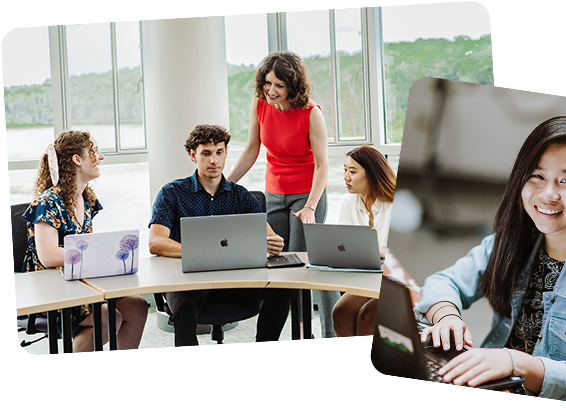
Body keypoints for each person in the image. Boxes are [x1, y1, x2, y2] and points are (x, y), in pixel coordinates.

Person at [414, 116, 566, 409]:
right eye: (537, 176)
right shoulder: (512, 242)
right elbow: (444, 282)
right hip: (504, 393)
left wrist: (514, 362)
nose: (548, 194)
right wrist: (447, 316)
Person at [225, 51, 338, 350]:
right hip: (274, 193)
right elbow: (251, 149)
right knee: (277, 266)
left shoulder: (312, 112)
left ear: (293, 86)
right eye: (267, 83)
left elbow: (323, 166)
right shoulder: (261, 104)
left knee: (307, 266)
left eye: (279, 85)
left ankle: (327, 338)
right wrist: (225, 185)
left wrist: (311, 206)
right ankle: (268, 344)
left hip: (307, 194)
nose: (271, 90)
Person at [148, 124, 290, 354]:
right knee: (183, 309)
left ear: (225, 153)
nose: (214, 160)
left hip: (233, 282)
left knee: (282, 289)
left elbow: (269, 235)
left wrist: (274, 243)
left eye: (219, 152)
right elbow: (156, 242)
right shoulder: (172, 193)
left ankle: (266, 356)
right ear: (193, 155)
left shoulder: (240, 195)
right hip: (190, 283)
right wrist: (199, 252)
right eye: (206, 153)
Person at [22, 130, 148, 354]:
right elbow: (48, 256)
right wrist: (101, 253)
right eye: (95, 151)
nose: (100, 157)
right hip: (51, 292)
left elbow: (86, 248)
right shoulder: (48, 201)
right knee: (108, 318)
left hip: (78, 284)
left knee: (137, 307)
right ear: (77, 160)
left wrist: (103, 254)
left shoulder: (86, 199)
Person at [332, 146, 396, 354]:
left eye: (353, 171)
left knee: (368, 316)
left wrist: (373, 249)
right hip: (366, 277)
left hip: (392, 280)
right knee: (340, 312)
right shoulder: (349, 203)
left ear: (372, 173)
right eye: (345, 170)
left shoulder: (393, 203)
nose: (346, 177)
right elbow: (342, 244)